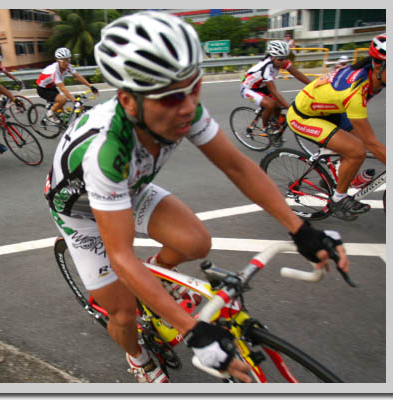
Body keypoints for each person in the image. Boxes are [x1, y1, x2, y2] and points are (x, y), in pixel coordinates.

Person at [45, 11, 349, 383]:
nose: (188, 105)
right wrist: (194, 331)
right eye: (172, 96)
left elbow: (238, 167)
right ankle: (138, 357)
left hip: (132, 188)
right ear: (128, 102)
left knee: (196, 241)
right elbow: (121, 256)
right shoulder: (107, 152)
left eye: (194, 86)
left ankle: (155, 282)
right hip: (81, 212)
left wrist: (300, 229)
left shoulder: (183, 109)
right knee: (123, 314)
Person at [286, 34, 387, 221]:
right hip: (303, 116)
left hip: (331, 109)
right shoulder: (356, 92)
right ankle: (338, 199)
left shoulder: (374, 72)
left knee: (356, 147)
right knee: (357, 150)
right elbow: (371, 142)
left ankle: (339, 178)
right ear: (379, 65)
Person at [240, 40, 312, 133]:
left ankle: (274, 124)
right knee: (270, 105)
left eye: (286, 58)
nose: (284, 61)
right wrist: (289, 108)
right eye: (280, 59)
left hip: (261, 86)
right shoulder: (265, 68)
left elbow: (298, 75)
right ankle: (265, 127)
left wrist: (313, 85)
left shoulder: (281, 61)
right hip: (248, 89)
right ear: (272, 57)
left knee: (278, 106)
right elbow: (274, 92)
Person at [35, 47, 99, 124]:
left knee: (61, 107)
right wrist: (73, 100)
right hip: (42, 89)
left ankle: (58, 119)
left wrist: (91, 86)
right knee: (62, 100)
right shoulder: (54, 71)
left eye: (68, 60)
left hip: (51, 86)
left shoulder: (68, 65)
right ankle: (50, 114)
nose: (66, 63)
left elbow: (77, 76)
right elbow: (62, 88)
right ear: (57, 61)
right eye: (64, 61)